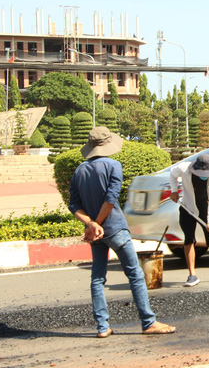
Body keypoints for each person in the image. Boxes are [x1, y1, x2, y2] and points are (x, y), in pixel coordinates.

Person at [68, 126, 175, 338]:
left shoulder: (79, 170)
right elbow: (110, 198)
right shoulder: (114, 165)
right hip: (115, 228)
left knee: (97, 278)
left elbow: (74, 205)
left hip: (95, 234)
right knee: (135, 274)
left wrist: (91, 225)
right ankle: (148, 322)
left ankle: (102, 327)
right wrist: (97, 223)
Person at [169, 153, 209, 287]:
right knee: (189, 239)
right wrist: (174, 191)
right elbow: (172, 173)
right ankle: (192, 275)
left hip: (206, 206)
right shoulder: (184, 168)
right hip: (188, 207)